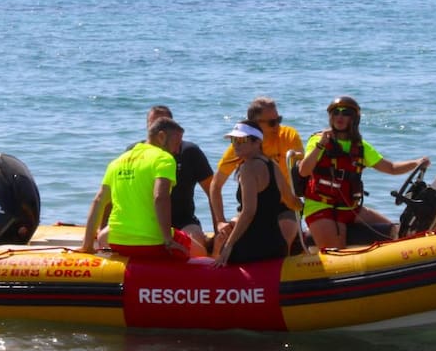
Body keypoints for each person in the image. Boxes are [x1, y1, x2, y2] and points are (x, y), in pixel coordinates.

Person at [297, 96, 430, 250]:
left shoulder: (360, 146)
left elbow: (391, 168)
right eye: (336, 112)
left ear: (354, 118)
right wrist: (320, 145)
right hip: (321, 207)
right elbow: (303, 171)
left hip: (351, 209)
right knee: (338, 252)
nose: (340, 116)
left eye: (345, 113)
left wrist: (416, 163)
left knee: (396, 233)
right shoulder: (318, 141)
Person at [97, 105, 214, 256]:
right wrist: (101, 227)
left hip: (182, 221)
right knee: (102, 237)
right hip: (144, 224)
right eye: (153, 124)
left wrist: (218, 228)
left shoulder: (189, 152)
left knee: (198, 248)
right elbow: (111, 195)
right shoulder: (132, 152)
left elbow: (212, 191)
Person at [80, 116, 191, 260]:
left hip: (117, 242)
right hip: (152, 244)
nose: (177, 150)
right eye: (176, 143)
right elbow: (160, 197)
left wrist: (87, 245)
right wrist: (168, 240)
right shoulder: (164, 159)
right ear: (161, 137)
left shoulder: (117, 162)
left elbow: (98, 201)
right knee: (197, 249)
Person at [208, 96, 303, 239]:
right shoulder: (241, 145)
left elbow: (302, 173)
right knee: (222, 239)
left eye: (278, 120)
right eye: (272, 122)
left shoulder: (289, 135)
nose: (277, 125)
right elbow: (216, 185)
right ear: (254, 124)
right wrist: (220, 221)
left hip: (285, 206)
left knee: (283, 235)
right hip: (251, 206)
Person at [212, 121, 303, 267]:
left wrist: (229, 245)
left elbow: (249, 212)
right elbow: (291, 201)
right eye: (233, 140)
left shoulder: (247, 168)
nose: (235, 145)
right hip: (276, 245)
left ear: (257, 142)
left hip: (252, 247)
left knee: (219, 249)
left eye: (241, 140)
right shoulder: (273, 165)